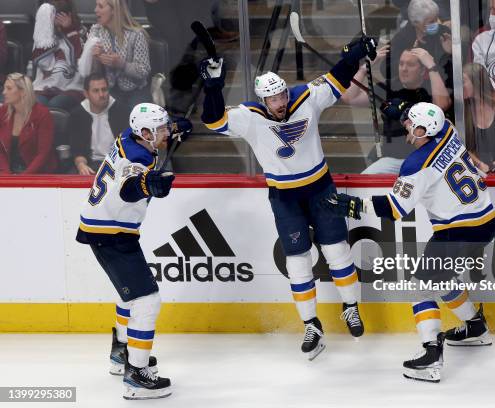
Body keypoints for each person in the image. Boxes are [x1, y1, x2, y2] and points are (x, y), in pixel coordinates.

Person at [200, 36, 379, 360]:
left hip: (320, 188)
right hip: (284, 197)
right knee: (297, 263)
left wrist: (354, 54)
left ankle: (351, 307)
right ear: (263, 101)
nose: (280, 102)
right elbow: (213, 120)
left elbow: (338, 78)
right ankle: (311, 324)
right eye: (273, 99)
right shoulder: (250, 116)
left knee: (338, 252)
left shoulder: (306, 97)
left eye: (282, 94)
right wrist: (213, 87)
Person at [321, 102, 495, 382]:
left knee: (421, 287)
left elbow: (394, 209)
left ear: (421, 129)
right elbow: (436, 121)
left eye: (409, 124)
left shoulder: (416, 165)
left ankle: (431, 354)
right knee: (440, 279)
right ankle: (475, 327)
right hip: (486, 222)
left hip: (457, 232)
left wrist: (352, 206)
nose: (406, 127)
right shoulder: (449, 132)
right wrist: (402, 113)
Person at [76, 102, 191, 399]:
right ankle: (136, 375)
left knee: (129, 297)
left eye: (165, 128)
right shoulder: (139, 158)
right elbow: (129, 186)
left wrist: (174, 126)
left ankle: (121, 353)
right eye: (161, 129)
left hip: (104, 227)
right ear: (145, 132)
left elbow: (148, 136)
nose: (165, 133)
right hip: (112, 233)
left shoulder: (129, 136)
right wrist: (147, 184)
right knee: (146, 301)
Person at [342, 46, 451, 174]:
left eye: (410, 65)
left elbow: (442, 105)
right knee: (364, 179)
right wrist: (364, 69)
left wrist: (431, 66)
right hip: (392, 161)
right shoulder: (388, 88)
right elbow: (349, 97)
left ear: (422, 70)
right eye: (401, 64)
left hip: (426, 160)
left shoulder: (430, 87)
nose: (404, 69)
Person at [85, 0, 151, 109]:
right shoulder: (96, 32)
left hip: (136, 90)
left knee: (134, 118)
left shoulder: (136, 34)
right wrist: (96, 59)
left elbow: (144, 71)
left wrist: (122, 64)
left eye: (100, 6)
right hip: (109, 89)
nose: (95, 10)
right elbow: (92, 74)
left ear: (114, 11)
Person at [68, 73, 129, 175]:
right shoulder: (77, 115)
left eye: (104, 90)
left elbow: (128, 147)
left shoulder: (122, 111)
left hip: (117, 163)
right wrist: (81, 165)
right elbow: (78, 150)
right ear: (86, 94)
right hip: (90, 163)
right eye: (96, 91)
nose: (101, 95)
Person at [32, 0, 87, 111]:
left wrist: (69, 30)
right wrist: (47, 30)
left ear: (68, 15)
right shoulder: (43, 35)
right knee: (37, 105)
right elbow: (41, 62)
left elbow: (81, 62)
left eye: (58, 15)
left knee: (55, 104)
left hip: (71, 89)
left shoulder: (80, 32)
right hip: (44, 87)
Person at [386, 0, 453, 91]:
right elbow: (385, 68)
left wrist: (450, 53)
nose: (436, 23)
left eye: (436, 18)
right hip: (413, 89)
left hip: (441, 86)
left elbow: (456, 66)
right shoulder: (402, 38)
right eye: (431, 21)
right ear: (416, 23)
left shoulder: (443, 32)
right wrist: (409, 61)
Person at [0, 73, 57, 174]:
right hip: (9, 171)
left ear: (22, 92)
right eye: (4, 88)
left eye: (9, 88)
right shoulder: (3, 112)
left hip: (37, 173)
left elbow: (43, 153)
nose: (4, 92)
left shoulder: (42, 114)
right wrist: (6, 174)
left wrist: (24, 177)